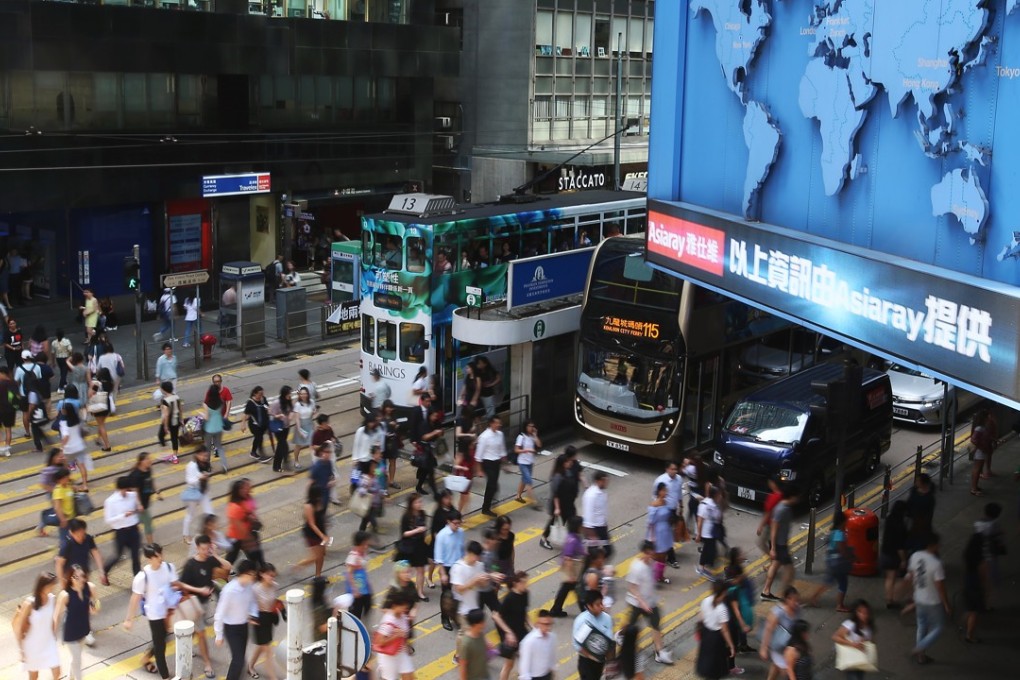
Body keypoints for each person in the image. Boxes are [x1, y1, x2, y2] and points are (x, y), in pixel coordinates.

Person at [177, 534, 231, 680]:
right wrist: (199, 590)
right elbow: (181, 585)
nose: (205, 551)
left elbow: (227, 567)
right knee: (202, 634)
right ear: (197, 548)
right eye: (203, 549)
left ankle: (185, 648)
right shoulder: (190, 565)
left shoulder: (210, 559)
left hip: (205, 603)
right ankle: (208, 665)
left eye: (208, 548)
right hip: (194, 603)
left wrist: (214, 555)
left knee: (195, 630)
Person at [123, 543, 178, 679]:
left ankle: (145, 658)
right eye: (157, 556)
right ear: (149, 558)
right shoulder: (143, 577)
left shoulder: (169, 567)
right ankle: (165, 676)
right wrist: (129, 619)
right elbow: (135, 598)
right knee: (160, 645)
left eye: (161, 555)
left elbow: (175, 586)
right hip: (155, 614)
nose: (160, 558)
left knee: (162, 638)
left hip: (169, 611)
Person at [627, 540, 674, 664]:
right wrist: (642, 602)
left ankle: (659, 652)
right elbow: (632, 587)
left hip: (650, 602)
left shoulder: (652, 563)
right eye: (648, 553)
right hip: (636, 603)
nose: (651, 556)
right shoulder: (636, 566)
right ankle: (625, 644)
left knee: (655, 623)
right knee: (631, 628)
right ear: (643, 552)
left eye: (652, 553)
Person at [907, 532, 949, 664]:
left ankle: (921, 656)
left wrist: (912, 595)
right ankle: (920, 647)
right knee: (938, 627)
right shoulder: (936, 564)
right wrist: (946, 604)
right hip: (932, 602)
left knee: (921, 626)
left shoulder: (915, 556)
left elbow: (911, 577)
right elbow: (940, 587)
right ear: (934, 545)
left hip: (919, 598)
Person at [214, 559, 260, 680]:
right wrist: (218, 634)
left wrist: (253, 615)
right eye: (252, 574)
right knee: (238, 660)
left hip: (243, 626)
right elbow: (219, 613)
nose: (254, 577)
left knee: (240, 659)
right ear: (244, 574)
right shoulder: (229, 590)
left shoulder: (249, 586)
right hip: (231, 629)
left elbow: (252, 602)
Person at [54, 563, 100, 680]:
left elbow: (96, 607)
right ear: (70, 578)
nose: (80, 579)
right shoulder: (65, 595)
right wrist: (53, 634)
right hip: (71, 633)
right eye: (76, 577)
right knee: (78, 661)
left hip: (83, 630)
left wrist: (94, 609)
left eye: (82, 576)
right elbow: (56, 615)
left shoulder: (90, 588)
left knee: (75, 658)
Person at [13, 571, 61, 680]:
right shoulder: (29, 603)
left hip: (48, 643)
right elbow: (20, 627)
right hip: (32, 646)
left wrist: (54, 635)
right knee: (34, 676)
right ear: (42, 586)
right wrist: (21, 650)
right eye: (50, 586)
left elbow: (52, 618)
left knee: (57, 673)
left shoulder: (52, 598)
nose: (53, 588)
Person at [761, 485, 799, 600]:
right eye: (796, 496)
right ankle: (784, 595)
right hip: (780, 544)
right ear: (792, 497)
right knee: (790, 570)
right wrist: (773, 548)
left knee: (775, 565)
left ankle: (766, 592)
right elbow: (774, 527)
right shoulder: (781, 509)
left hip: (781, 543)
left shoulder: (784, 507)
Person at [810, 511, 852, 611]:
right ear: (842, 522)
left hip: (831, 561)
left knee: (829, 582)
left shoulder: (832, 531)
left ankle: (815, 598)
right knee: (841, 583)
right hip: (837, 563)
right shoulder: (840, 534)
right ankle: (839, 605)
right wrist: (850, 557)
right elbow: (842, 550)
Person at [493, 571, 531, 680]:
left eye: (526, 582)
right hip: (511, 635)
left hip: (522, 631)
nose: (526, 585)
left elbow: (524, 612)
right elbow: (496, 616)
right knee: (509, 664)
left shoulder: (525, 594)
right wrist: (508, 633)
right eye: (523, 583)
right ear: (516, 583)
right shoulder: (509, 598)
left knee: (527, 658)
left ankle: (523, 676)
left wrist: (533, 627)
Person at [102, 477, 142, 577]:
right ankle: (105, 570)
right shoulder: (110, 501)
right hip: (121, 532)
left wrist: (139, 505)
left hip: (134, 529)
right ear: (120, 488)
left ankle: (138, 580)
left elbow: (137, 502)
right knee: (118, 556)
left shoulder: (132, 495)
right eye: (126, 489)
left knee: (136, 556)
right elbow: (108, 520)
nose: (127, 492)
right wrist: (123, 515)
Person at [541, 448, 580, 550]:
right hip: (559, 504)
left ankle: (572, 541)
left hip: (568, 502)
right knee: (554, 522)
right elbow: (555, 493)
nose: (570, 463)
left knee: (571, 520)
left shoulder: (567, 472)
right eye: (567, 462)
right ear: (563, 463)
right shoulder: (557, 476)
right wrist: (557, 508)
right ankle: (544, 538)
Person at [759, 586, 802, 680]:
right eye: (794, 601)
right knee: (787, 671)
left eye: (797, 600)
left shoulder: (797, 609)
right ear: (787, 599)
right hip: (779, 646)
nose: (796, 603)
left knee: (776, 666)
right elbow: (768, 630)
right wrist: (764, 648)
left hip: (790, 645)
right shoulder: (778, 612)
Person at [696, 579, 736, 679]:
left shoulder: (706, 600)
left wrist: (698, 630)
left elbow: (701, 616)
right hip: (716, 639)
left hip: (706, 635)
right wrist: (731, 646)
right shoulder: (722, 609)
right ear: (724, 592)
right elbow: (725, 630)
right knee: (716, 667)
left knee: (707, 662)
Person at [56, 518, 107, 593]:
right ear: (72, 533)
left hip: (84, 575)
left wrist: (101, 572)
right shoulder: (67, 544)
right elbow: (59, 564)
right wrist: (62, 582)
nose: (81, 537)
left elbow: (96, 554)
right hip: (71, 578)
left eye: (83, 534)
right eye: (78, 535)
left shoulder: (88, 538)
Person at [549, 515, 586, 617]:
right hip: (573, 569)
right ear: (577, 526)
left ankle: (556, 609)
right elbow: (568, 558)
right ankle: (586, 612)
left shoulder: (574, 536)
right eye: (581, 525)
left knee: (566, 589)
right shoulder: (572, 540)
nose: (583, 526)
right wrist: (571, 575)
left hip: (574, 568)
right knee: (578, 590)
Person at [249, 564, 282, 680]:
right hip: (259, 620)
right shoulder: (255, 589)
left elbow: (275, 601)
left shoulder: (275, 586)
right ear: (261, 574)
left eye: (273, 575)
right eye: (269, 575)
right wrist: (250, 619)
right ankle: (273, 678)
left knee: (262, 646)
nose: (271, 577)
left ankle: (250, 666)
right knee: (267, 650)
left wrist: (280, 610)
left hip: (269, 619)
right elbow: (249, 605)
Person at [573, 591, 615, 680]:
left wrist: (610, 664)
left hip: (600, 661)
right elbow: (577, 645)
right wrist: (591, 657)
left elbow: (609, 642)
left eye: (601, 603)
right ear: (589, 606)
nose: (602, 606)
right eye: (597, 604)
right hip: (587, 662)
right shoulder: (581, 621)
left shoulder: (607, 618)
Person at [434, 510, 465, 630]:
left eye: (459, 523)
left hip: (458, 566)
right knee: (447, 596)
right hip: (446, 567)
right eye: (455, 523)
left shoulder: (461, 532)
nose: (457, 526)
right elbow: (438, 558)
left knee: (458, 594)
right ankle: (445, 618)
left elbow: (462, 550)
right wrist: (443, 574)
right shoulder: (442, 535)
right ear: (448, 522)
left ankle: (455, 616)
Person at [376, 590, 416, 680]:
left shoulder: (403, 616)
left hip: (401, 653)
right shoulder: (388, 621)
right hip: (388, 658)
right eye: (403, 606)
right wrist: (395, 636)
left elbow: (404, 633)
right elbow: (379, 642)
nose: (405, 609)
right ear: (394, 606)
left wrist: (406, 645)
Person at [225, 478, 265, 567]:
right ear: (237, 491)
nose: (245, 490)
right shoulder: (234, 508)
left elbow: (252, 511)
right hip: (237, 537)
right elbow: (239, 527)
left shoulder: (246, 498)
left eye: (246, 487)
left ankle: (263, 569)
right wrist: (250, 540)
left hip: (247, 533)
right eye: (242, 489)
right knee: (230, 559)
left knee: (256, 555)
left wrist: (254, 519)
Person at [832, 599, 875, 680]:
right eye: (860, 612)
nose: (864, 615)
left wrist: (864, 643)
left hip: (861, 657)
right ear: (856, 612)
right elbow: (835, 637)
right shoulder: (850, 624)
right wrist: (852, 644)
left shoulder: (869, 626)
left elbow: (870, 640)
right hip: (850, 656)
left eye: (866, 612)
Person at [397, 493, 430, 599]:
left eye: (420, 502)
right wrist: (417, 530)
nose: (419, 504)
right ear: (411, 504)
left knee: (421, 570)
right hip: (408, 546)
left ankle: (419, 591)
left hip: (420, 545)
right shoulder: (406, 516)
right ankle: (404, 591)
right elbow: (404, 533)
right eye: (417, 502)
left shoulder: (422, 514)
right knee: (406, 571)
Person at [653, 461, 685, 568]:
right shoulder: (660, 481)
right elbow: (654, 496)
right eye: (672, 469)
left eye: (676, 469)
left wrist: (681, 506)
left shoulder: (679, 479)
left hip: (673, 510)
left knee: (668, 534)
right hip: (663, 511)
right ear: (667, 469)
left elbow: (679, 493)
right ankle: (671, 559)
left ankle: (658, 552)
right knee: (668, 535)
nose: (674, 471)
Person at [879, 500, 909, 609]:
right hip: (893, 556)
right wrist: (904, 560)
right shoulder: (900, 526)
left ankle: (889, 599)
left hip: (884, 552)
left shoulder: (889, 519)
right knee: (893, 578)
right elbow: (900, 547)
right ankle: (891, 600)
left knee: (888, 578)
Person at [427, 492, 459, 591]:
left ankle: (444, 577)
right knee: (434, 561)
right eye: (447, 498)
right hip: (438, 541)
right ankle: (429, 578)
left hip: (450, 541)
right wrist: (439, 542)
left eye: (450, 498)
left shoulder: (452, 509)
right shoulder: (438, 512)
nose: (449, 501)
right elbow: (434, 530)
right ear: (442, 499)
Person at [183, 447, 215, 543]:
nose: (205, 457)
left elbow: (208, 474)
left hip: (203, 492)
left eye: (206, 455)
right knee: (190, 515)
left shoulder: (206, 463)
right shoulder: (191, 465)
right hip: (193, 492)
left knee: (210, 513)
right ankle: (186, 534)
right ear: (197, 455)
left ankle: (209, 533)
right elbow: (189, 480)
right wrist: (200, 478)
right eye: (203, 455)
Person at [296, 486, 330, 577]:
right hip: (312, 534)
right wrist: (322, 536)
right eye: (319, 495)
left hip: (321, 531)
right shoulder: (308, 506)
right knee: (315, 557)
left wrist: (326, 527)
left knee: (322, 555)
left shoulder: (320, 502)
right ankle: (299, 565)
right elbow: (312, 524)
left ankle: (318, 576)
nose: (320, 497)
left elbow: (323, 516)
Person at [476, 415, 506, 516]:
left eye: (499, 423)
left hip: (496, 462)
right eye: (496, 423)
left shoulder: (500, 434)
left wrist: (504, 462)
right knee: (492, 484)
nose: (498, 425)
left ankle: (490, 501)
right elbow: (479, 454)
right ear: (491, 423)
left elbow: (501, 449)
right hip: (487, 462)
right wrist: (479, 469)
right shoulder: (484, 436)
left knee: (493, 484)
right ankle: (486, 508)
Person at [647, 483, 674, 585]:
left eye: (666, 490)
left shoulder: (666, 502)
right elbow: (651, 522)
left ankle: (661, 576)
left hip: (665, 531)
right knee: (656, 556)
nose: (666, 492)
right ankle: (653, 577)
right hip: (657, 532)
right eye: (664, 490)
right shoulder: (654, 505)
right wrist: (652, 537)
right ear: (659, 492)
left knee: (663, 556)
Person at [518, 609, 557, 680]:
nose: (548, 627)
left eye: (550, 624)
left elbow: (552, 657)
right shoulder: (529, 641)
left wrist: (553, 670)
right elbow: (524, 669)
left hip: (547, 675)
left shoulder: (552, 637)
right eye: (545, 624)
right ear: (538, 623)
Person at [582, 471, 613, 559]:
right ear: (598, 481)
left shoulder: (602, 492)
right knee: (593, 554)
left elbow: (602, 510)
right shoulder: (591, 495)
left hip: (601, 527)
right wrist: (591, 534)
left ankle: (598, 566)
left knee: (608, 550)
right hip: (593, 529)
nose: (607, 483)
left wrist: (605, 523)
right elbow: (588, 514)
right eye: (605, 481)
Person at [59, 399, 90, 488]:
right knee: (82, 466)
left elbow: (66, 436)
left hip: (69, 449)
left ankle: (68, 484)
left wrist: (62, 447)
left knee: (65, 467)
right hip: (79, 446)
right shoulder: (77, 420)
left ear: (65, 411)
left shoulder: (64, 422)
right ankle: (85, 485)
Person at [346, 531, 374, 622]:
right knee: (357, 611)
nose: (366, 546)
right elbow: (349, 574)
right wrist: (355, 589)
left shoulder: (362, 553)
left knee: (368, 605)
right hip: (357, 590)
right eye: (364, 544)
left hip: (364, 586)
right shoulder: (353, 557)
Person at [458, 608, 491, 680]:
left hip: (484, 675)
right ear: (476, 624)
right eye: (482, 622)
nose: (484, 623)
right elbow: (462, 666)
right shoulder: (466, 644)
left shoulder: (480, 633)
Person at [514, 420, 541, 505]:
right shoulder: (521, 437)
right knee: (529, 481)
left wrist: (535, 435)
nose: (531, 428)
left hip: (530, 461)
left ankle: (518, 495)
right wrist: (527, 450)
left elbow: (539, 445)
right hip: (522, 462)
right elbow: (516, 450)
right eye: (529, 426)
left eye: (532, 426)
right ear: (526, 427)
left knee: (524, 480)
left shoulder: (532, 436)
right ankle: (533, 501)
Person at [242, 386, 272, 462]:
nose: (261, 395)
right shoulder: (250, 403)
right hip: (254, 425)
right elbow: (246, 414)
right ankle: (261, 455)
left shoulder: (263, 399)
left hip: (263, 423)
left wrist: (268, 410)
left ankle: (253, 452)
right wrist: (243, 424)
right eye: (260, 394)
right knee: (259, 438)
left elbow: (267, 407)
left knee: (259, 438)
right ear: (255, 393)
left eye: (262, 393)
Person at [269, 385, 294, 472]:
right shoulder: (277, 403)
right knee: (282, 445)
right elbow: (271, 413)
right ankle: (277, 465)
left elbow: (291, 409)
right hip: (278, 427)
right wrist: (278, 415)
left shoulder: (289, 401)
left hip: (286, 426)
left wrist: (291, 414)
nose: (290, 395)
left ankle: (284, 461)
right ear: (284, 394)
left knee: (282, 444)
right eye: (289, 393)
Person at [51, 468, 77, 551]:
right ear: (60, 479)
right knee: (64, 539)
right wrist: (62, 520)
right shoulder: (58, 491)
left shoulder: (68, 485)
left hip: (72, 516)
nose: (68, 478)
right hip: (65, 518)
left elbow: (72, 492)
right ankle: (62, 555)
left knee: (76, 534)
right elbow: (57, 507)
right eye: (66, 477)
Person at [202, 384, 227, 471]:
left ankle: (208, 466)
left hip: (209, 429)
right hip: (219, 427)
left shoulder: (206, 405)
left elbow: (207, 418)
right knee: (219, 446)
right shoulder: (221, 402)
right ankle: (224, 465)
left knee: (208, 448)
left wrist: (202, 415)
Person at [970, 409, 994, 495]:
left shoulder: (982, 427)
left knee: (978, 468)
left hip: (982, 450)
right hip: (980, 451)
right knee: (977, 469)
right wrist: (981, 447)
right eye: (988, 417)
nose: (989, 418)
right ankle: (973, 489)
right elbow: (974, 440)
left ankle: (975, 486)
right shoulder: (979, 428)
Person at [157, 381, 182, 464]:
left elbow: (166, 415)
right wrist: (181, 420)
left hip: (168, 422)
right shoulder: (177, 397)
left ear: (164, 390)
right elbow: (180, 409)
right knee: (174, 438)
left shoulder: (165, 400)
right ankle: (175, 456)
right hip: (177, 421)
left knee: (161, 436)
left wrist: (165, 426)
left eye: (161, 388)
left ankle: (166, 453)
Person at [291, 386, 316, 469]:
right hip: (301, 425)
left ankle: (314, 461)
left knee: (312, 444)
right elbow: (297, 418)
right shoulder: (298, 404)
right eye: (301, 394)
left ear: (308, 394)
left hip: (309, 424)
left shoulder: (311, 402)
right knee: (298, 445)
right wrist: (299, 430)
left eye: (305, 394)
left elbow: (312, 413)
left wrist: (314, 413)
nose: (303, 395)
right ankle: (296, 461)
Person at [0, 365, 17, 456]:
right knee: (8, 429)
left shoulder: (1, 384)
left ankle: (1, 447)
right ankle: (7, 450)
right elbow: (16, 398)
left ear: (2, 374)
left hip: (1, 410)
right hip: (10, 410)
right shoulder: (13, 383)